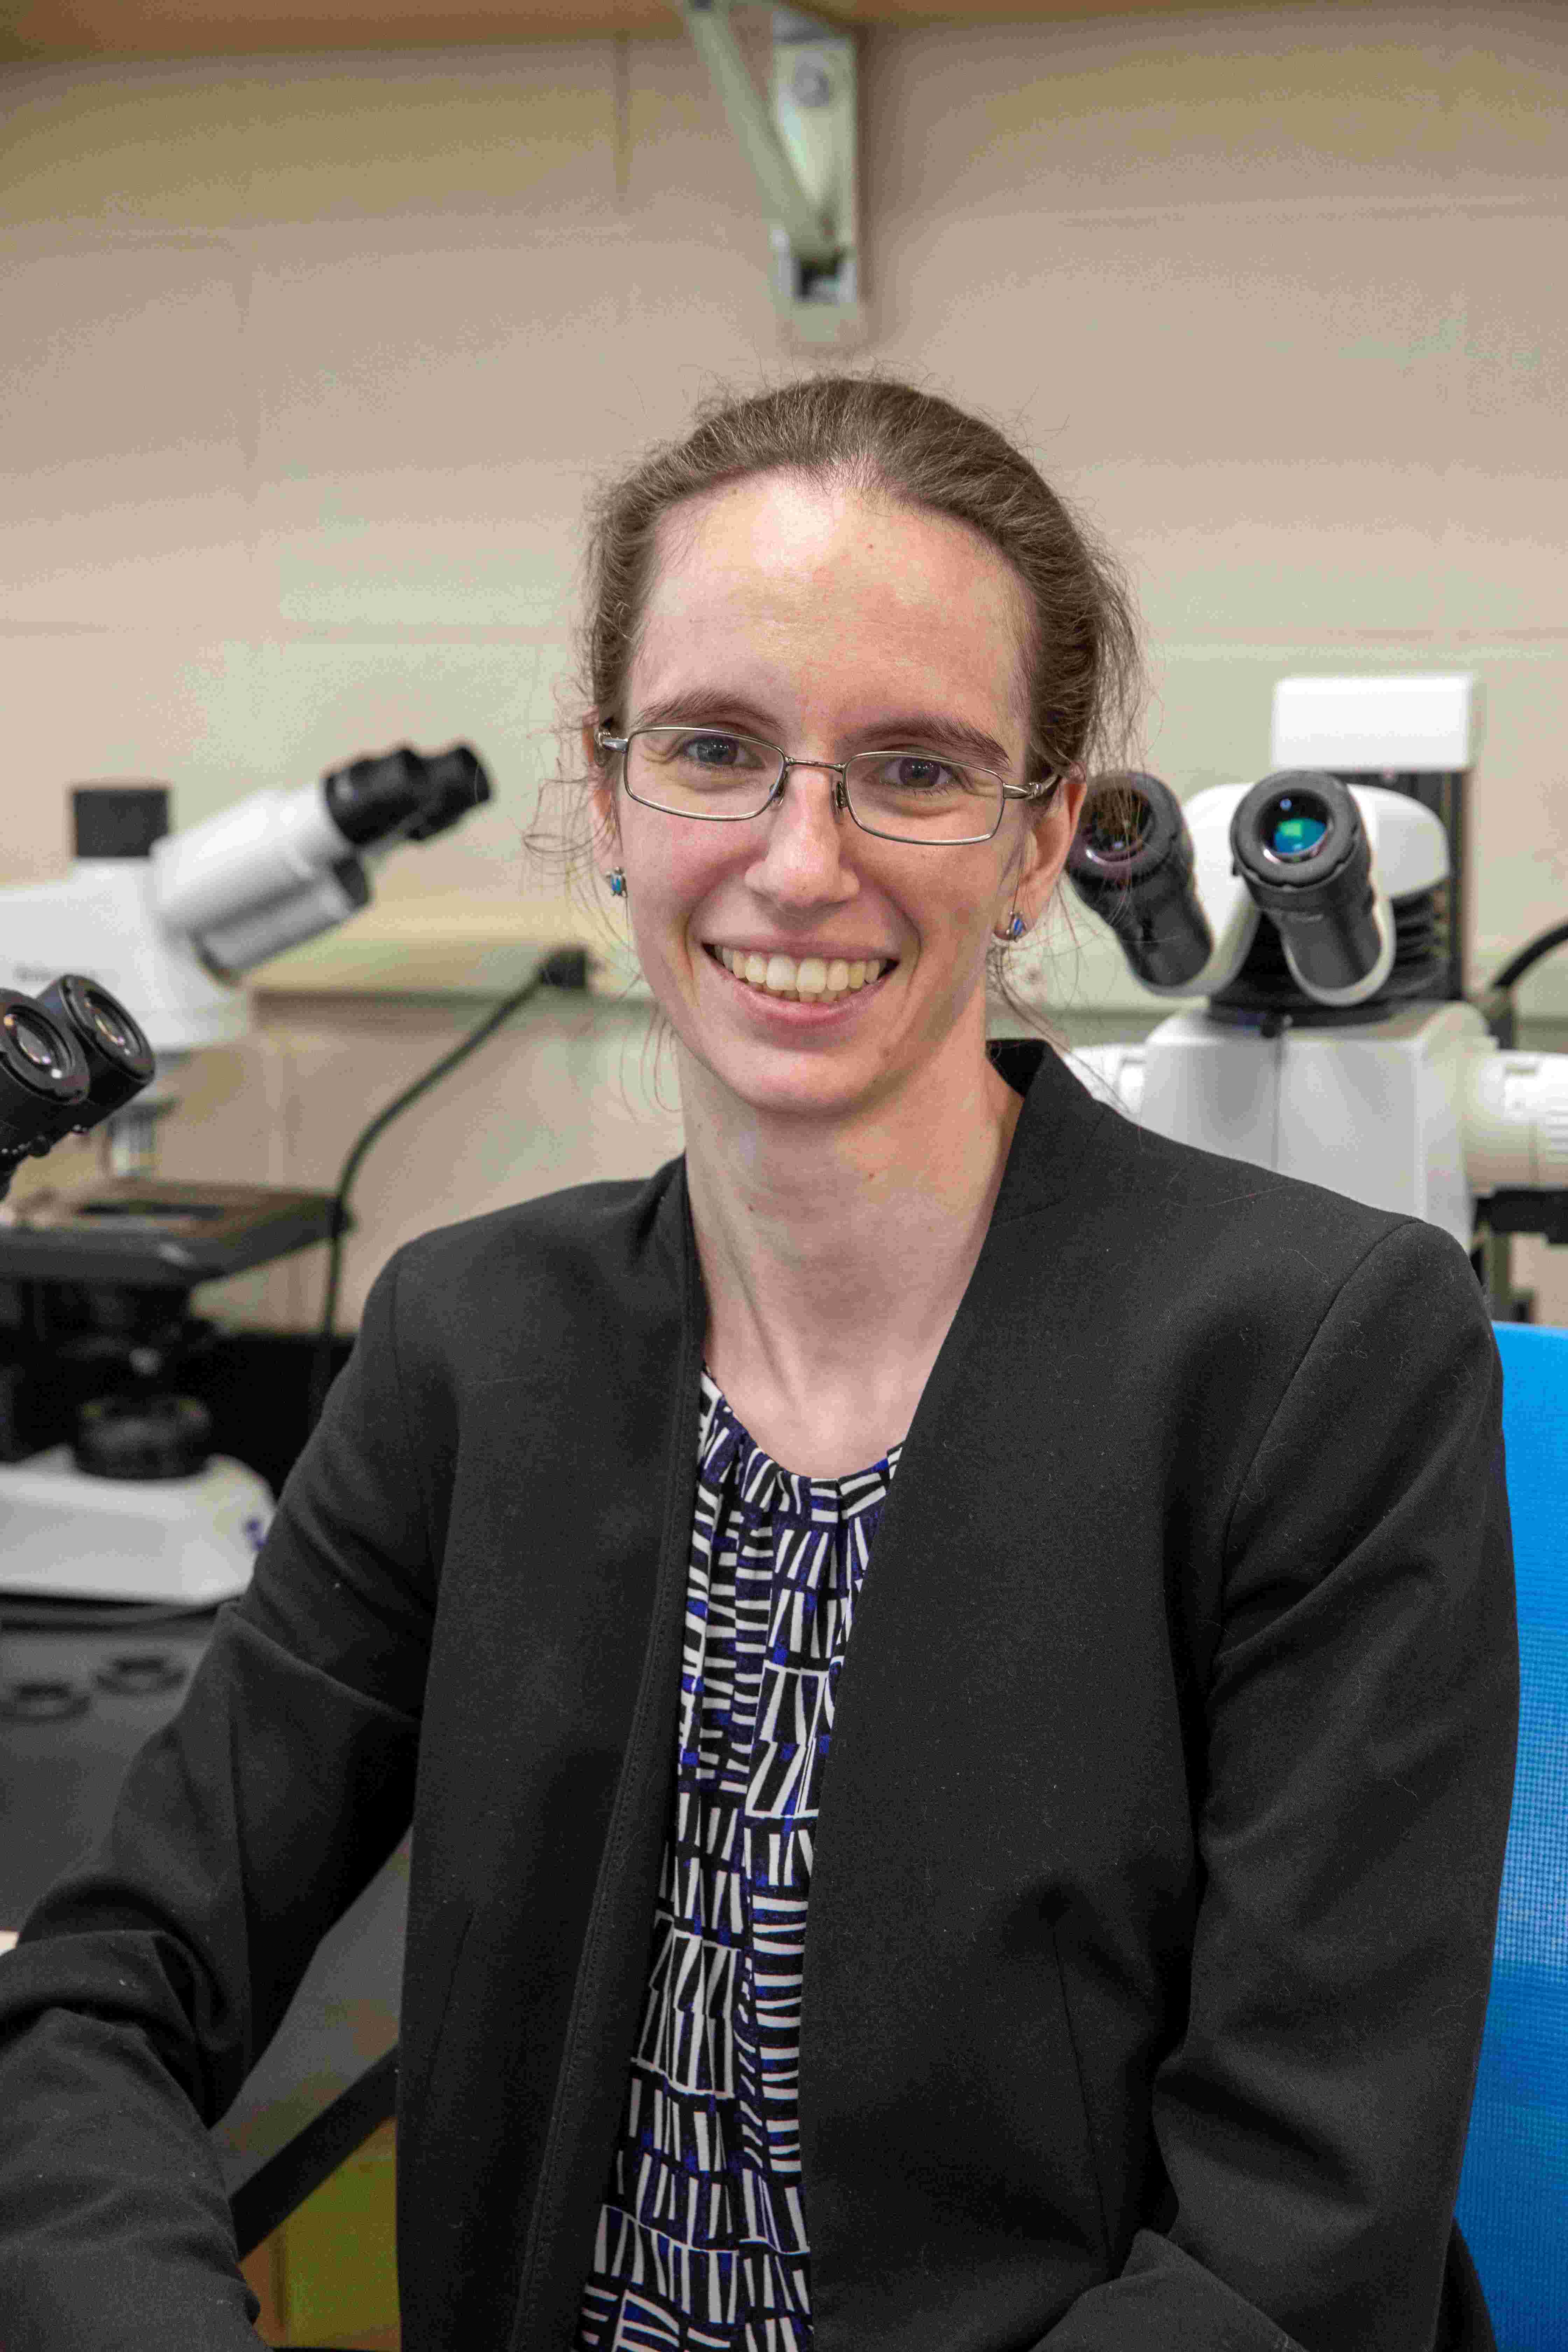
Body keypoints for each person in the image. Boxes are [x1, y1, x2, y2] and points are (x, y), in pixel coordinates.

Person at [0, 375, 1517, 2352]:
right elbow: (101, 1994)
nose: (802, 862)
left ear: (1045, 836)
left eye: (913, 768)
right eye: (718, 749)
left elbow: (1289, 2255)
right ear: (611, 795)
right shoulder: (473, 1346)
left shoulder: (1319, 1363)